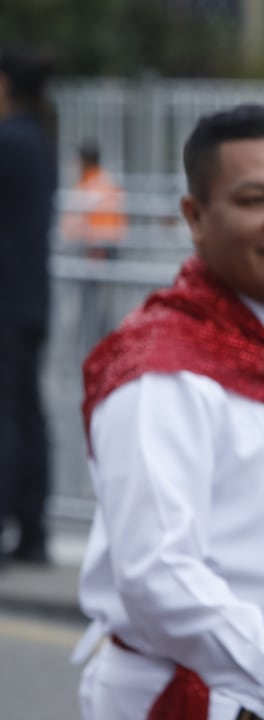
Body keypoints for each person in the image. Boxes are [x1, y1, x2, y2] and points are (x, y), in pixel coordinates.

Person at [75, 104, 264, 719]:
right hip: (191, 698)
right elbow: (159, 578)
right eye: (254, 200)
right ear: (195, 216)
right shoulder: (157, 369)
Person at [0, 46, 57, 569]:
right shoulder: (37, 138)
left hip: (8, 300)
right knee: (25, 412)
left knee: (9, 417)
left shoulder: (10, 140)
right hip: (30, 298)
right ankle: (33, 531)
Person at [61, 140, 127, 259]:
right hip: (103, 241)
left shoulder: (92, 184)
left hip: (97, 244)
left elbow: (76, 215)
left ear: (85, 161)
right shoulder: (104, 180)